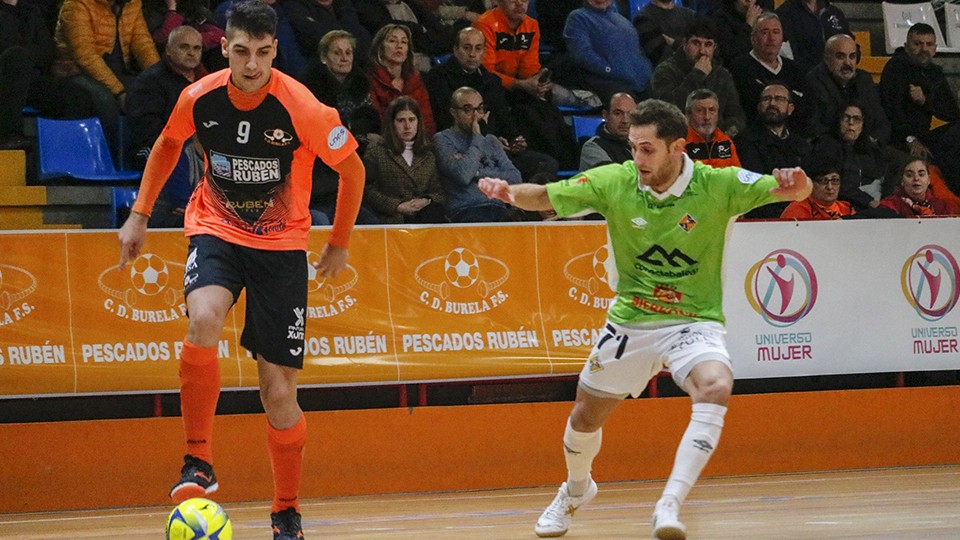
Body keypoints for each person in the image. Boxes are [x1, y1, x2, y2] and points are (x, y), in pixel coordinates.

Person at [478, 98, 811, 540]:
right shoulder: (615, 180)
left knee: (716, 384)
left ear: (678, 148)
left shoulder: (720, 184)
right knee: (584, 419)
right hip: (631, 320)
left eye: (647, 149)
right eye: (633, 147)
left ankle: (669, 504)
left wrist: (798, 182)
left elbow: (793, 192)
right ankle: (576, 490)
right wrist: (507, 192)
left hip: (694, 320)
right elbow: (542, 196)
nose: (637, 159)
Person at [116, 3, 365, 538]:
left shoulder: (305, 108)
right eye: (241, 51)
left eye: (263, 52)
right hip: (217, 229)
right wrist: (138, 216)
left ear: (275, 50)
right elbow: (166, 146)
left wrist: (339, 243)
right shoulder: (198, 97)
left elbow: (354, 171)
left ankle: (286, 508)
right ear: (223, 48)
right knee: (203, 317)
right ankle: (198, 461)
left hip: (282, 247)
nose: (252, 64)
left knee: (277, 393)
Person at [425, 26, 558, 179]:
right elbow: (444, 122)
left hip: (494, 148)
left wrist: (512, 141)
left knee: (547, 163)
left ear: (484, 52)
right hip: (460, 149)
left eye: (478, 48)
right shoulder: (437, 78)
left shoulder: (492, 81)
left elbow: (503, 119)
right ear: (455, 50)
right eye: (467, 48)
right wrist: (487, 138)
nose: (472, 54)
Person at [127, 26, 207, 228]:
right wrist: (181, 142)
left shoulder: (206, 81)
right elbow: (146, 128)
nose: (191, 52)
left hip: (195, 149)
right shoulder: (150, 81)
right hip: (152, 146)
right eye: (184, 47)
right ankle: (178, 210)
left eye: (197, 48)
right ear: (168, 50)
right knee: (172, 158)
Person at [54, 0, 160, 148]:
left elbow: (143, 44)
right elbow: (85, 56)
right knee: (104, 100)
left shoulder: (132, 4)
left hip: (117, 72)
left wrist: (160, 77)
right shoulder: (77, 4)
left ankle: (150, 153)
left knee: (154, 93)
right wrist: (119, 92)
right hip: (77, 72)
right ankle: (111, 156)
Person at [879, 23, 960, 190]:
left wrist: (925, 101)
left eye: (929, 44)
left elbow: (952, 112)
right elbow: (891, 110)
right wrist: (910, 138)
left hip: (924, 137)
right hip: (896, 138)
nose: (924, 49)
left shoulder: (934, 72)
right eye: (918, 44)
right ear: (906, 46)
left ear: (935, 48)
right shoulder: (896, 67)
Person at [434, 86, 522, 222]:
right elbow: (463, 175)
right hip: (465, 209)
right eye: (468, 110)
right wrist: (477, 136)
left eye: (480, 108)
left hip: (499, 207)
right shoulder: (442, 140)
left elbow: (515, 178)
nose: (476, 116)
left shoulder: (491, 140)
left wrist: (476, 173)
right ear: (453, 112)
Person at [651, 17, 745, 138]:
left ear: (714, 47)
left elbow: (736, 114)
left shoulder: (722, 75)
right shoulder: (665, 71)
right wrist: (697, 75)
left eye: (708, 44)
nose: (702, 51)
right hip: (680, 140)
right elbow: (667, 111)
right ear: (684, 44)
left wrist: (725, 133)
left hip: (717, 141)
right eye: (696, 43)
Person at [363, 96, 446, 223]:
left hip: (424, 218)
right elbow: (367, 190)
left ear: (418, 122)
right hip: (390, 219)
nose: (407, 126)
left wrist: (426, 201)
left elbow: (439, 192)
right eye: (401, 120)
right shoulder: (377, 151)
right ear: (392, 123)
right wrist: (397, 206)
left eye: (412, 120)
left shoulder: (428, 154)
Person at [804, 33, 890, 145]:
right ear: (826, 58)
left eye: (852, 56)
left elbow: (882, 123)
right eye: (840, 56)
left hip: (867, 147)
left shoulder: (864, 80)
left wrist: (870, 142)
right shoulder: (813, 81)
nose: (847, 63)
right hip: (831, 149)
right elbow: (813, 127)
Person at [562, 0, 652, 101]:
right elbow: (582, 54)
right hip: (609, 83)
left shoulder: (621, 19)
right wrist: (609, 69)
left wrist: (646, 70)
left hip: (641, 83)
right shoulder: (578, 17)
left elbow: (637, 50)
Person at [728, 12, 805, 129]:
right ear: (753, 38)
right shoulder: (740, 68)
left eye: (776, 32)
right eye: (764, 32)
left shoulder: (795, 69)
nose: (771, 38)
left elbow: (806, 108)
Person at [808, 103, 890, 211]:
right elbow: (832, 183)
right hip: (837, 205)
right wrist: (868, 200)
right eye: (846, 118)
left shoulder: (869, 149)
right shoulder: (827, 145)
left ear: (863, 124)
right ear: (838, 121)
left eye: (856, 119)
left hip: (865, 204)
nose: (851, 123)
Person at [367, 23, 436, 136]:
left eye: (404, 42)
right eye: (393, 41)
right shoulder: (371, 80)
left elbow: (427, 120)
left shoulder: (415, 80)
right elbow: (378, 122)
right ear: (380, 47)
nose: (399, 46)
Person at [736, 82, 810, 175]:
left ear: (790, 108)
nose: (772, 103)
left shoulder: (800, 145)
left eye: (779, 99)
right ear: (759, 107)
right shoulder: (745, 141)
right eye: (766, 99)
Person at [141, 0, 226, 71]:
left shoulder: (192, 7)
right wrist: (172, 9)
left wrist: (191, 38)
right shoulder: (150, 10)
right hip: (166, 63)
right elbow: (163, 38)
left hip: (197, 64)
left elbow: (219, 34)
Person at [280, 0, 371, 66]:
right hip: (316, 74)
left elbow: (358, 33)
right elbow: (313, 37)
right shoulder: (293, 5)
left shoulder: (345, 5)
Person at [775, 0, 849, 75]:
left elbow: (850, 42)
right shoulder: (784, 13)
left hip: (837, 76)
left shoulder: (834, 11)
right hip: (804, 78)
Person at [879, 158, 959, 218]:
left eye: (921, 174)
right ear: (902, 181)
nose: (916, 178)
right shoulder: (889, 205)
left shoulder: (944, 206)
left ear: (929, 180)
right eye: (909, 175)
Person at [579, 91, 636, 170]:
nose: (625, 120)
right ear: (605, 115)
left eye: (631, 114)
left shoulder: (641, 143)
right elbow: (613, 178)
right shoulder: (592, 148)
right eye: (618, 113)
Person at [780, 158, 853, 220]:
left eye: (834, 180)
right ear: (811, 183)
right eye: (822, 181)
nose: (830, 187)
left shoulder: (846, 208)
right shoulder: (797, 210)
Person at [684, 88, 740, 168]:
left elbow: (736, 175)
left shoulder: (725, 141)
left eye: (712, 110)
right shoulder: (680, 142)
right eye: (700, 111)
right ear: (688, 115)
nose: (707, 117)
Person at [709, 0, 762, 66]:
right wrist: (749, 25)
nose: (748, 0)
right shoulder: (720, 19)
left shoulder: (764, 15)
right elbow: (731, 54)